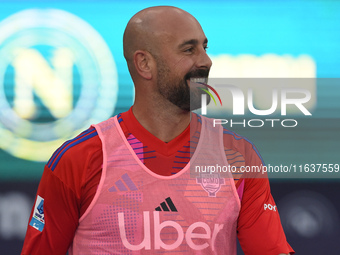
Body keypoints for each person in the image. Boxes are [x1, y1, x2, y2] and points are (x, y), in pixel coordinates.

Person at [22, 6, 294, 255]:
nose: (206, 61)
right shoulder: (78, 159)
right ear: (144, 64)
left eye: (205, 47)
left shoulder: (237, 156)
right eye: (189, 50)